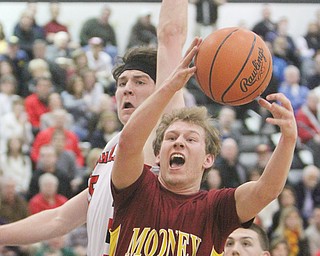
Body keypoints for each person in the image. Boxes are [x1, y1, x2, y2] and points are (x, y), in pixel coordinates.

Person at [0, 1, 189, 255]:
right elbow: (60, 219)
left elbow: (170, 34)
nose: (127, 89)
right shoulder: (113, 147)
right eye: (121, 83)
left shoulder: (164, 131)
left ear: (161, 89)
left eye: (139, 81)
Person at [108, 41, 297, 253]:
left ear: (208, 159)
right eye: (171, 137)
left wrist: (288, 139)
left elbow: (266, 190)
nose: (179, 141)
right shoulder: (137, 189)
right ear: (158, 155)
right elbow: (128, 143)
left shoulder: (216, 208)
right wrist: (169, 87)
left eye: (190, 139)